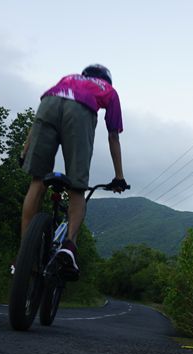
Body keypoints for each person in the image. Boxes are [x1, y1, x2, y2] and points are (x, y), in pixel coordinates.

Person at [20, 64, 127, 279]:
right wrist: (119, 176)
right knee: (77, 187)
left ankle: (24, 254)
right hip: (80, 110)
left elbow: (36, 122)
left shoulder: (68, 78)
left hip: (48, 103)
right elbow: (113, 136)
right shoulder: (109, 90)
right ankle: (68, 247)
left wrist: (24, 151)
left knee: (37, 181)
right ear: (107, 79)